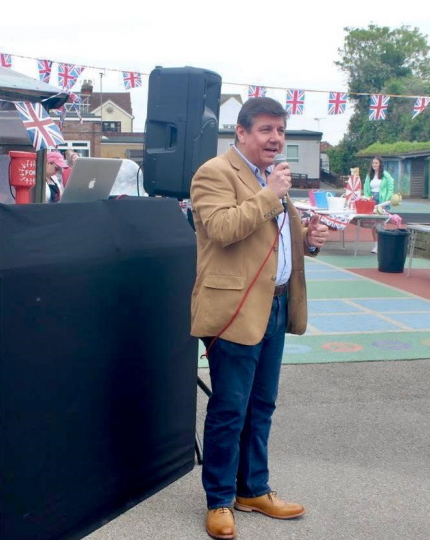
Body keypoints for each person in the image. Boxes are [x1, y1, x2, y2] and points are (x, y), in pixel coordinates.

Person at [189, 97, 329, 540]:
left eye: (281, 131)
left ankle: (253, 489)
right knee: (230, 407)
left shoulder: (274, 182)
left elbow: (275, 237)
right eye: (266, 130)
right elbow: (225, 229)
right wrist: (270, 194)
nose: (276, 139)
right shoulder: (214, 173)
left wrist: (309, 240)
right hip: (236, 308)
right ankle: (219, 500)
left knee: (261, 405)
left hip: (277, 303)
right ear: (242, 134)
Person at [362, 157, 394, 253]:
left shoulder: (386, 175)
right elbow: (366, 188)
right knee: (374, 224)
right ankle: (376, 245)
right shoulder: (369, 175)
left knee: (381, 223)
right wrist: (367, 199)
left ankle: (382, 244)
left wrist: (386, 201)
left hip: (382, 200)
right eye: (373, 163)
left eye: (376, 163)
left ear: (380, 164)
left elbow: (390, 188)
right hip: (372, 200)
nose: (374, 165)